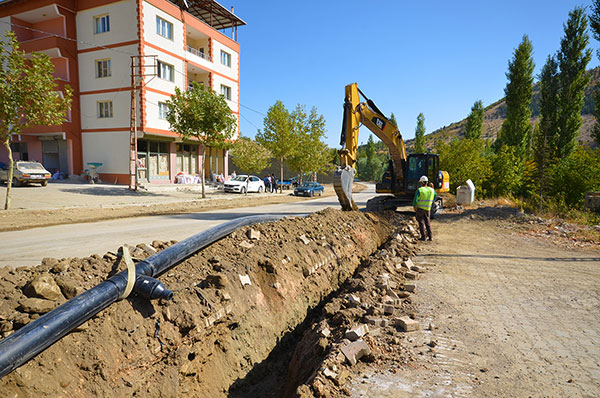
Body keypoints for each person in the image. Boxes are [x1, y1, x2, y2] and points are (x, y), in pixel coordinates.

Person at [413, 175, 435, 241]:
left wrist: (414, 207)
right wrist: (432, 188)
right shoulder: (431, 190)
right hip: (428, 209)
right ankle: (430, 237)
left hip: (420, 209)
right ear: (427, 182)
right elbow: (435, 194)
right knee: (427, 223)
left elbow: (415, 200)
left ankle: (423, 237)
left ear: (421, 183)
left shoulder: (420, 190)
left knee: (421, 222)